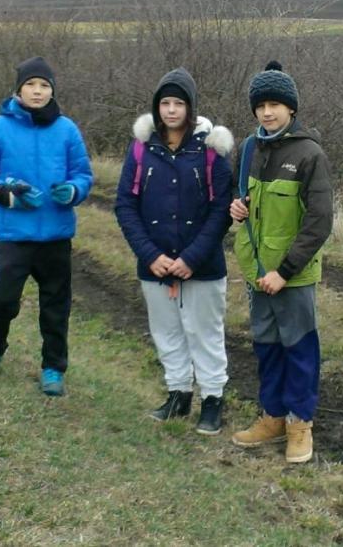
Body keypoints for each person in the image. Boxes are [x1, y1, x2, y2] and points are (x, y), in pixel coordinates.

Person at [0, 56, 93, 397]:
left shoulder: (66, 129)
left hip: (56, 235)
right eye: (31, 85)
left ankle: (53, 368)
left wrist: (74, 190)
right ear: (19, 89)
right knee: (2, 297)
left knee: (56, 304)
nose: (38, 91)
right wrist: (3, 192)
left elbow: (82, 174)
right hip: (15, 234)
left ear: (52, 91)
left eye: (44, 85)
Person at [115, 68, 235, 434]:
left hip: (201, 264)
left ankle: (212, 399)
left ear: (191, 107)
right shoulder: (140, 148)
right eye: (164, 103)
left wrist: (191, 258)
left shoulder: (211, 151)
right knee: (166, 333)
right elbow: (125, 205)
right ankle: (178, 393)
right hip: (155, 264)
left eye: (178, 103)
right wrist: (149, 254)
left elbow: (221, 211)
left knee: (204, 334)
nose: (170, 110)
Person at [229, 61, 333, 464]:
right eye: (260, 106)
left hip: (292, 275)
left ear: (291, 109)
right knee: (267, 348)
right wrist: (235, 208)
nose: (267, 113)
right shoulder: (249, 149)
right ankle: (272, 416)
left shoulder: (310, 155)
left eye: (275, 105)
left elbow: (319, 222)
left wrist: (283, 272)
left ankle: (299, 425)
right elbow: (240, 200)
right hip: (257, 274)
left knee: (299, 349)